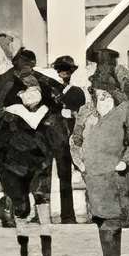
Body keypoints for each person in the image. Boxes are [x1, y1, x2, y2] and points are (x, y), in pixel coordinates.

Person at [0, 78, 58, 256]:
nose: (32, 94)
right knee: (21, 209)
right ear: (20, 94)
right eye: (28, 90)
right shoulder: (8, 116)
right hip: (16, 168)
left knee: (43, 207)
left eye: (35, 89)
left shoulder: (48, 114)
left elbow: (56, 140)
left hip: (40, 167)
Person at [75, 84, 129, 256]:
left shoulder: (124, 111)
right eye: (99, 96)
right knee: (99, 216)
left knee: (113, 215)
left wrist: (126, 161)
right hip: (93, 173)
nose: (102, 101)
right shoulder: (86, 112)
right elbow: (75, 139)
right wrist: (79, 161)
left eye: (106, 96)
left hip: (114, 172)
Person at [43, 56, 82, 223]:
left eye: (67, 69)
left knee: (65, 177)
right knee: (43, 178)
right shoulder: (47, 90)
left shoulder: (77, 92)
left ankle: (68, 215)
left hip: (65, 138)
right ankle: (43, 215)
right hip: (46, 136)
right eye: (60, 68)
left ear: (72, 71)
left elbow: (79, 115)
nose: (63, 72)